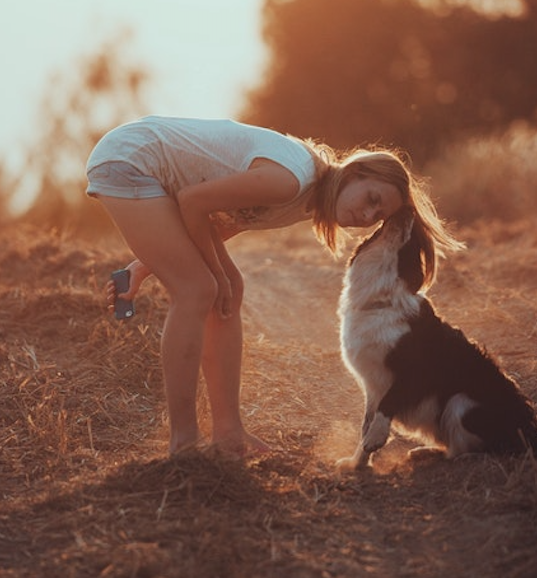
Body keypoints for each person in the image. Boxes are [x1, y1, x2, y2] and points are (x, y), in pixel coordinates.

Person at [85, 116, 463, 456]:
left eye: (376, 216)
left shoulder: (303, 198)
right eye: (371, 199)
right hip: (131, 160)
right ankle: (183, 443)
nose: (365, 215)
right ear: (355, 172)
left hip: (150, 170)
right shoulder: (291, 179)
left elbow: (219, 222)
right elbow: (193, 201)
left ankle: (228, 433)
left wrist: (143, 265)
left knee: (228, 288)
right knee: (199, 289)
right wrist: (214, 274)